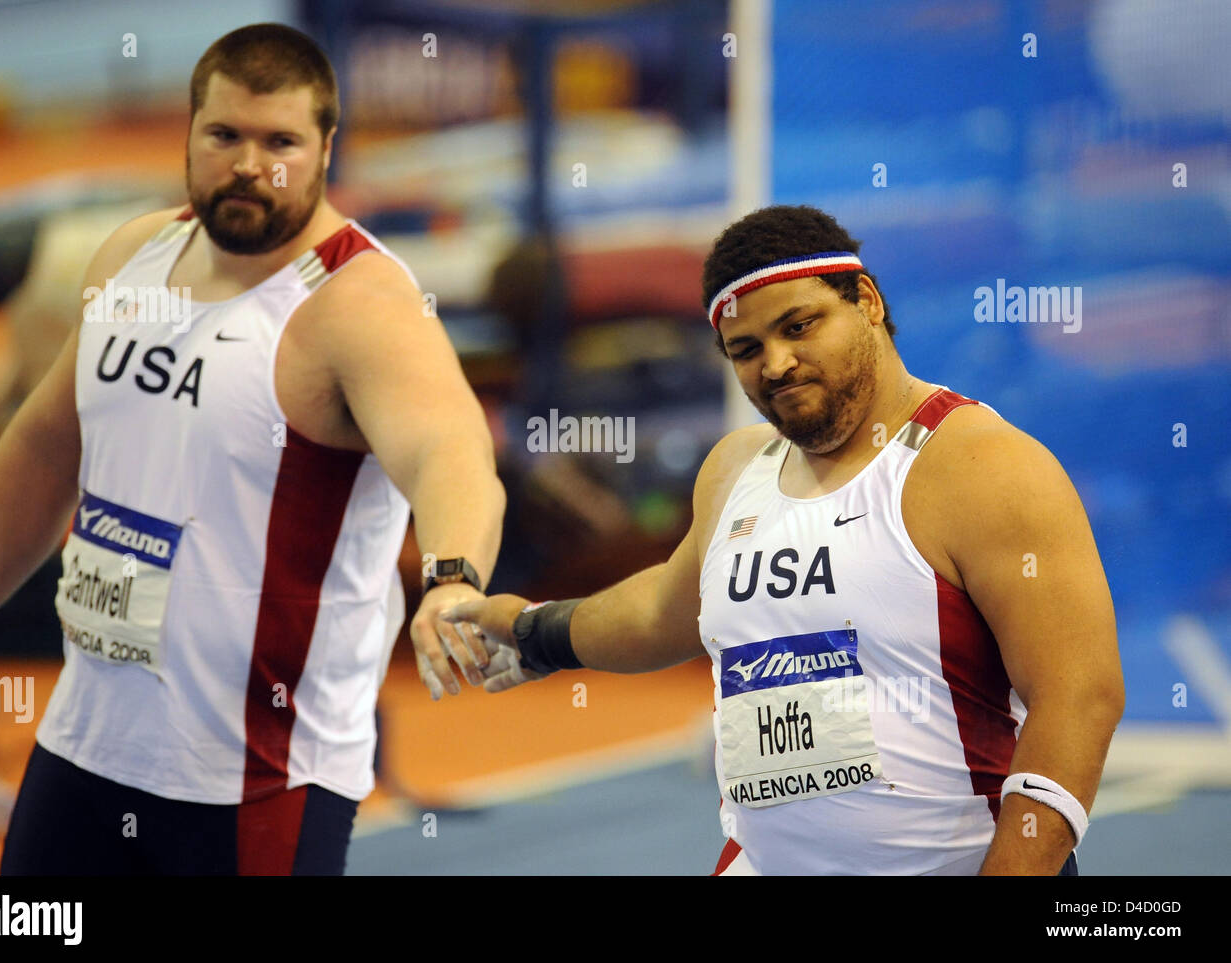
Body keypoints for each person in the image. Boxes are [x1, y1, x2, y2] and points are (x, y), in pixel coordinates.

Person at [0, 22, 503, 875]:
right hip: (84, 747)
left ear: (325, 148)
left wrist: (453, 582)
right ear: (189, 132)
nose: (249, 164)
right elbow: (48, 444)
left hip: (257, 782)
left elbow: (453, 456)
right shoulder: (135, 253)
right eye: (225, 135)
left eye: (280, 142)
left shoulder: (361, 305)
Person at [442, 205, 1125, 876]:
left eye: (799, 326)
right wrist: (537, 630)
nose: (776, 364)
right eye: (747, 349)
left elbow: (1080, 696)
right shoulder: (737, 469)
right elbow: (663, 611)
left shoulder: (981, 465)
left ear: (867, 301)